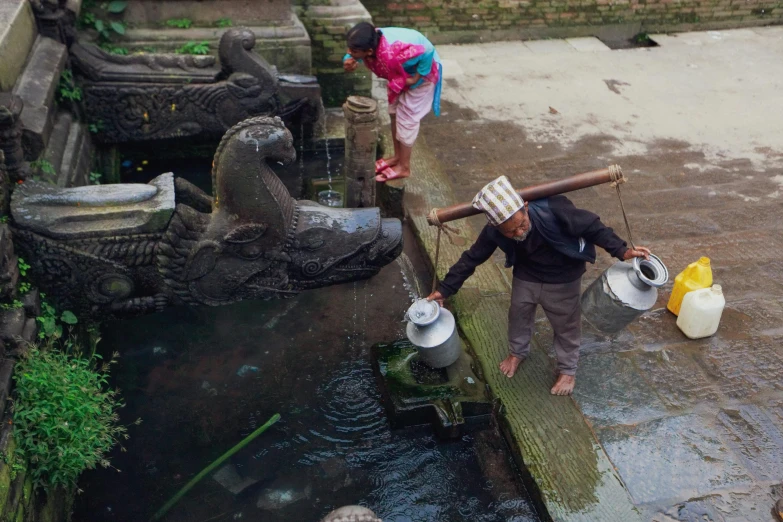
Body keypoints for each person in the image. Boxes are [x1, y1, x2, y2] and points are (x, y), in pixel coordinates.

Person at [426, 176, 651, 396]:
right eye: (510, 232)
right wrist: (444, 289)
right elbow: (472, 258)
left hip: (564, 277)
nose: (519, 232)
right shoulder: (494, 230)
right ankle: (517, 352)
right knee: (518, 314)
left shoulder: (554, 208)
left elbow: (592, 226)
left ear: (525, 206)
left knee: (566, 325)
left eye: (521, 224)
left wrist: (622, 250)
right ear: (496, 227)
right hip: (528, 274)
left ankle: (567, 370)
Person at [343, 22, 442, 183]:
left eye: (353, 51)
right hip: (400, 77)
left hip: (421, 77)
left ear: (369, 52)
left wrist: (416, 77)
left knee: (407, 119)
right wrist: (349, 58)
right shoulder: (371, 41)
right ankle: (397, 157)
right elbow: (355, 50)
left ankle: (404, 167)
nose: (349, 52)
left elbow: (428, 50)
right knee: (394, 112)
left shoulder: (395, 51)